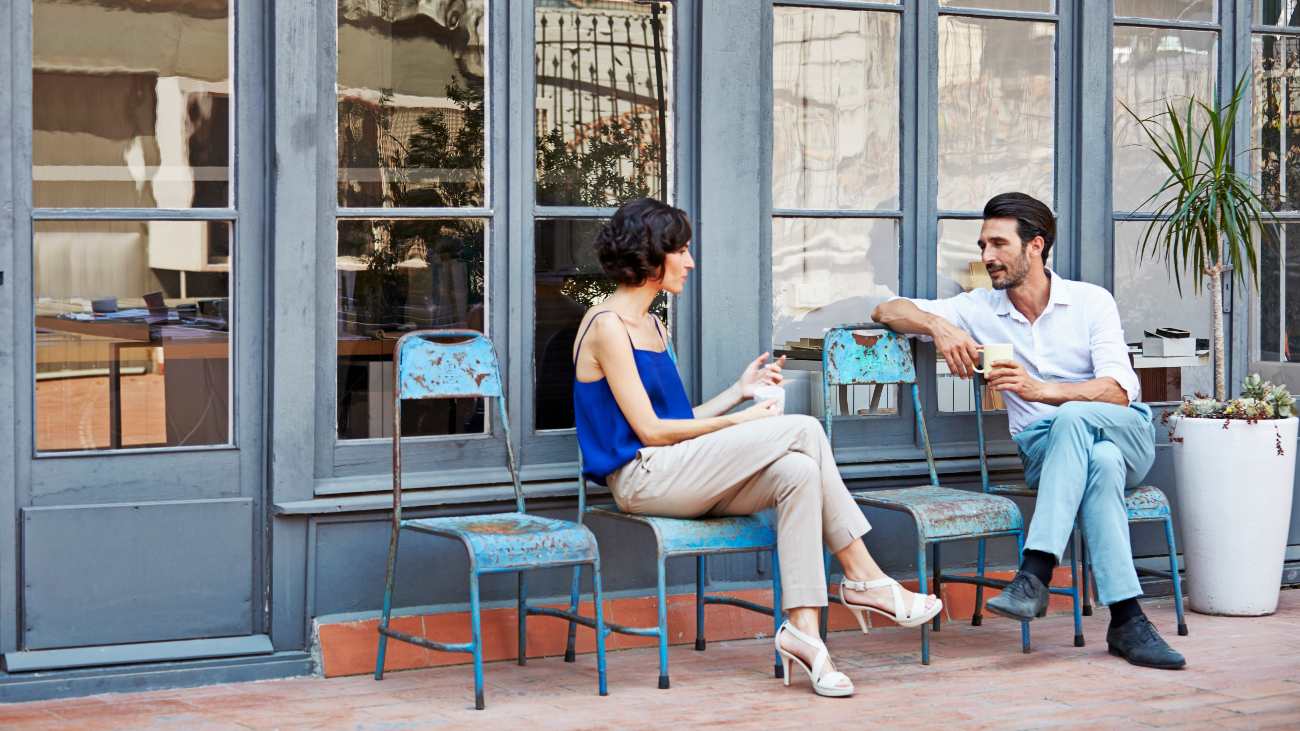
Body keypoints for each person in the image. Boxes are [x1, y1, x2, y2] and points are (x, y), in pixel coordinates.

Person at [573, 197, 942, 697]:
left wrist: (737, 392)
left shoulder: (653, 326)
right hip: (642, 478)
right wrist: (742, 423)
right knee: (804, 429)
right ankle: (863, 576)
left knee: (798, 473)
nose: (690, 261)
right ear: (650, 256)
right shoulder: (607, 326)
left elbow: (677, 421)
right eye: (680, 250)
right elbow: (652, 432)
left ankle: (805, 635)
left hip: (679, 472)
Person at [871, 192, 1186, 670]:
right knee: (1096, 461)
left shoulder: (1089, 302)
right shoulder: (977, 308)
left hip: (1126, 435)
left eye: (998, 243)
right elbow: (886, 310)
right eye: (982, 245)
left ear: (1035, 245)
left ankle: (1035, 570)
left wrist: (1042, 391)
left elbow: (1121, 391)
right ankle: (1128, 620)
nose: (986, 256)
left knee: (1075, 418)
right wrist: (940, 326)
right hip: (1050, 454)